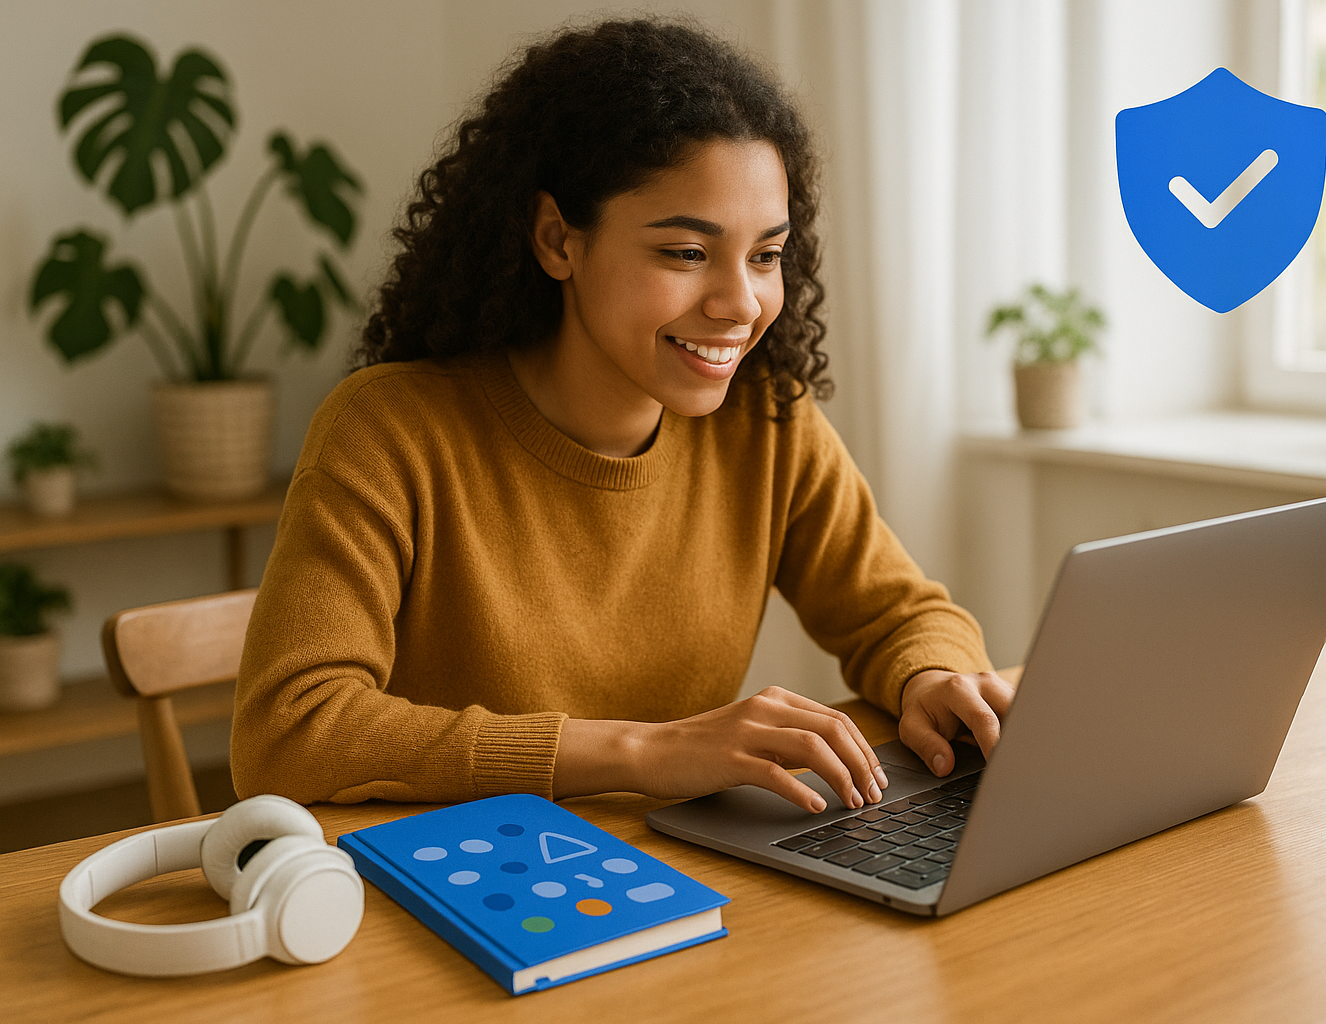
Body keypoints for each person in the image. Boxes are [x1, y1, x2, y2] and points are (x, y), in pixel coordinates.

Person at [232, 18, 1014, 815]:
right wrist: (645, 751)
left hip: (664, 863)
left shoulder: (765, 424)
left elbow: (898, 612)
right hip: (450, 880)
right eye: (686, 252)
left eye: (766, 255)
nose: (741, 304)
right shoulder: (389, 430)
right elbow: (292, 733)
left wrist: (935, 676)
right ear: (556, 240)